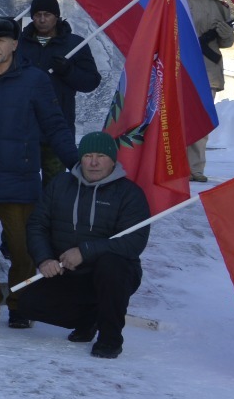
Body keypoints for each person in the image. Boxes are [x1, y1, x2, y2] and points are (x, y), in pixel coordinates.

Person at [0, 16, 77, 326]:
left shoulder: (34, 80)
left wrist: (76, 161)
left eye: (0, 41)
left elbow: (54, 124)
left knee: (22, 249)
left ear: (14, 45)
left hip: (19, 179)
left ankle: (21, 303)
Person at [15, 130, 150, 359]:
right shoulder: (60, 184)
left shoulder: (129, 194)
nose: (94, 162)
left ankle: (110, 338)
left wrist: (85, 252)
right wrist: (45, 258)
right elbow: (37, 225)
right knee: (27, 304)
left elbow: (133, 242)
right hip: (67, 271)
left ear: (112, 160)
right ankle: (90, 320)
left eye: (101, 156)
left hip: (109, 274)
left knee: (112, 268)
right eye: (88, 156)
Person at [16, 0, 101, 176]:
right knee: (21, 182)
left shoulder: (74, 44)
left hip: (57, 127)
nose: (42, 19)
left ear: (57, 16)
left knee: (55, 184)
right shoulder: (19, 43)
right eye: (37, 15)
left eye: (47, 14)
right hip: (23, 127)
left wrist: (68, 71)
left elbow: (91, 81)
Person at [184, 0, 234, 182]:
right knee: (177, 119)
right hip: (182, 67)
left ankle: (195, 169)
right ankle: (175, 166)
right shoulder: (178, 1)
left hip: (208, 72)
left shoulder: (220, 7)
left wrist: (225, 33)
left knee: (200, 122)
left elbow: (228, 43)